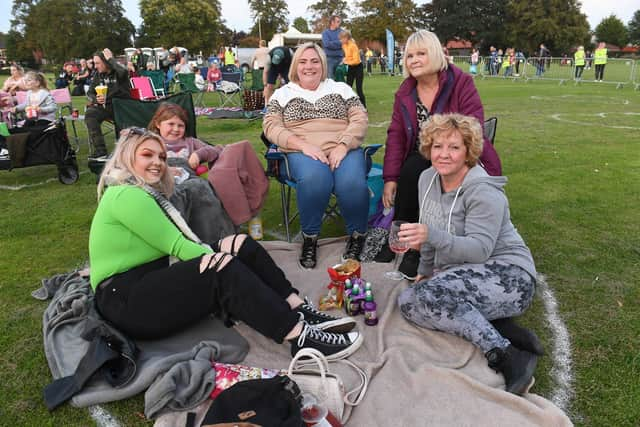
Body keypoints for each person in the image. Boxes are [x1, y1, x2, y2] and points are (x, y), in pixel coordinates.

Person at [89, 128, 362, 360]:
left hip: (146, 277)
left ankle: (295, 306)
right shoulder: (126, 195)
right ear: (127, 158)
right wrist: (222, 263)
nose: (158, 163)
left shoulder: (140, 192)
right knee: (223, 267)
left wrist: (224, 254)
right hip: (126, 301)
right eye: (147, 155)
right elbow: (180, 247)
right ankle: (298, 336)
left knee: (239, 243)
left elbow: (181, 245)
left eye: (161, 156)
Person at [397, 113, 541, 396]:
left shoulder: (483, 190)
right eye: (437, 146)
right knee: (411, 302)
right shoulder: (427, 178)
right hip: (465, 272)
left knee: (421, 299)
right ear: (428, 148)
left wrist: (430, 235)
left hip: (511, 275)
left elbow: (479, 250)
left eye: (454, 147)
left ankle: (508, 355)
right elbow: (431, 223)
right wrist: (425, 269)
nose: (444, 155)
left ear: (468, 152)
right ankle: (503, 328)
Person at [382, 30, 502, 279]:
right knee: (412, 168)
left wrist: (444, 149)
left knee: (422, 169)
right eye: (409, 55)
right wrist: (390, 178)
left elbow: (473, 126)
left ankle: (417, 247)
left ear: (435, 54)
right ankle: (402, 235)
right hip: (422, 152)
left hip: (457, 151)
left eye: (421, 54)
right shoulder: (405, 92)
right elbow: (396, 135)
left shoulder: (460, 82)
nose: (413, 60)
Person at [263, 43, 369, 269]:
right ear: (295, 66)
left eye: (314, 61)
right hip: (302, 149)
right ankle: (310, 239)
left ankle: (357, 237)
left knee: (351, 182)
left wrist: (343, 145)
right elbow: (271, 127)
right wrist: (302, 146)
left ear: (323, 64)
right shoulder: (283, 93)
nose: (309, 66)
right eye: (303, 61)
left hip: (343, 147)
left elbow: (360, 118)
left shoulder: (341, 89)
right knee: (315, 178)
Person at [85, 48, 131, 160]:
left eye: (97, 63)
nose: (95, 66)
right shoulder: (98, 74)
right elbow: (90, 92)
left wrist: (111, 59)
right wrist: (96, 99)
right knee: (90, 114)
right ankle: (100, 151)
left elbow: (124, 72)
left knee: (119, 121)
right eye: (94, 63)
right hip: (106, 106)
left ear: (106, 62)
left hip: (122, 106)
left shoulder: (118, 73)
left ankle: (122, 150)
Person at [339, 30, 366, 108]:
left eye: (341, 38)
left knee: (359, 89)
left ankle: (364, 107)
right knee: (348, 87)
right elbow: (348, 56)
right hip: (351, 68)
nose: (340, 40)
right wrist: (344, 59)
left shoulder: (353, 46)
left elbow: (356, 61)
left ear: (346, 38)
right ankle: (348, 106)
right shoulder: (344, 45)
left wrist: (346, 62)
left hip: (358, 68)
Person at [322, 15, 343, 80]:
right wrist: (339, 42)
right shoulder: (325, 33)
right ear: (332, 22)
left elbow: (345, 43)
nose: (339, 23)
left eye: (339, 22)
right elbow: (327, 44)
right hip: (329, 59)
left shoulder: (342, 32)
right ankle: (330, 90)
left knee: (340, 79)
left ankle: (340, 90)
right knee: (330, 79)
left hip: (341, 59)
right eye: (338, 21)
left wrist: (333, 43)